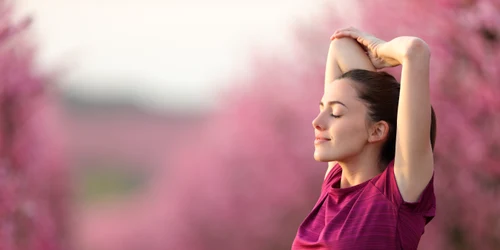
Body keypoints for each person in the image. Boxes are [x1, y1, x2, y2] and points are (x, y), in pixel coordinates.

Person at [291, 27, 437, 250]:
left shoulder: (397, 193)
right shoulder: (333, 183)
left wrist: (381, 49)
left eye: (336, 113)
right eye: (321, 108)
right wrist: (375, 81)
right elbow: (340, 46)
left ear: (377, 131)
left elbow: (415, 51)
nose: (317, 121)